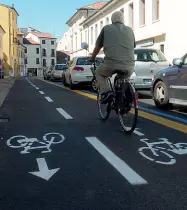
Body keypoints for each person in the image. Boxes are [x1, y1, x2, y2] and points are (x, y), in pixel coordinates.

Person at [89, 11, 136, 104]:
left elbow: (98, 46)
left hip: (111, 63)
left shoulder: (106, 29)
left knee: (98, 73)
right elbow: (133, 45)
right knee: (125, 77)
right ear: (123, 20)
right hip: (129, 65)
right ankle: (126, 93)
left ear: (112, 20)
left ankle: (106, 92)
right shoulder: (130, 30)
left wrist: (93, 57)